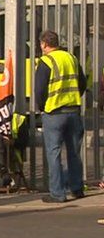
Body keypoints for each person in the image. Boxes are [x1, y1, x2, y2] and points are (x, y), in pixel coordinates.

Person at [35, 30, 87, 203]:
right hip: (73, 111)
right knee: (74, 152)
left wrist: (43, 108)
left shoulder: (45, 61)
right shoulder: (71, 58)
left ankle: (57, 193)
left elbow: (40, 90)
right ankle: (77, 189)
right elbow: (82, 83)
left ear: (43, 44)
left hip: (54, 113)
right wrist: (73, 98)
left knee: (54, 153)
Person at [0, 113, 28, 197]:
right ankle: (2, 170)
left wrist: (11, 141)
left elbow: (24, 141)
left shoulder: (19, 119)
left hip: (12, 152)